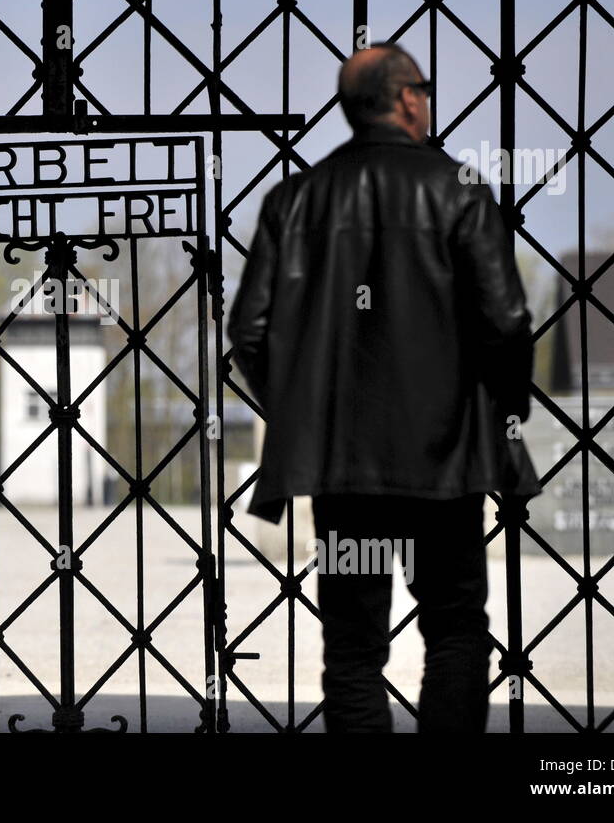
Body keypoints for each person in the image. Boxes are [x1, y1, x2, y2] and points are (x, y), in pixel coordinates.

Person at [227, 43, 540, 733]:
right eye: (424, 88)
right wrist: (499, 414)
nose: (428, 100)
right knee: (456, 630)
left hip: (343, 467)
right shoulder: (458, 188)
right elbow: (508, 322)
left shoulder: (294, 199)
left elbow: (248, 333)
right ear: (405, 99)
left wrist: (308, 413)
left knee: (353, 646)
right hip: (446, 462)